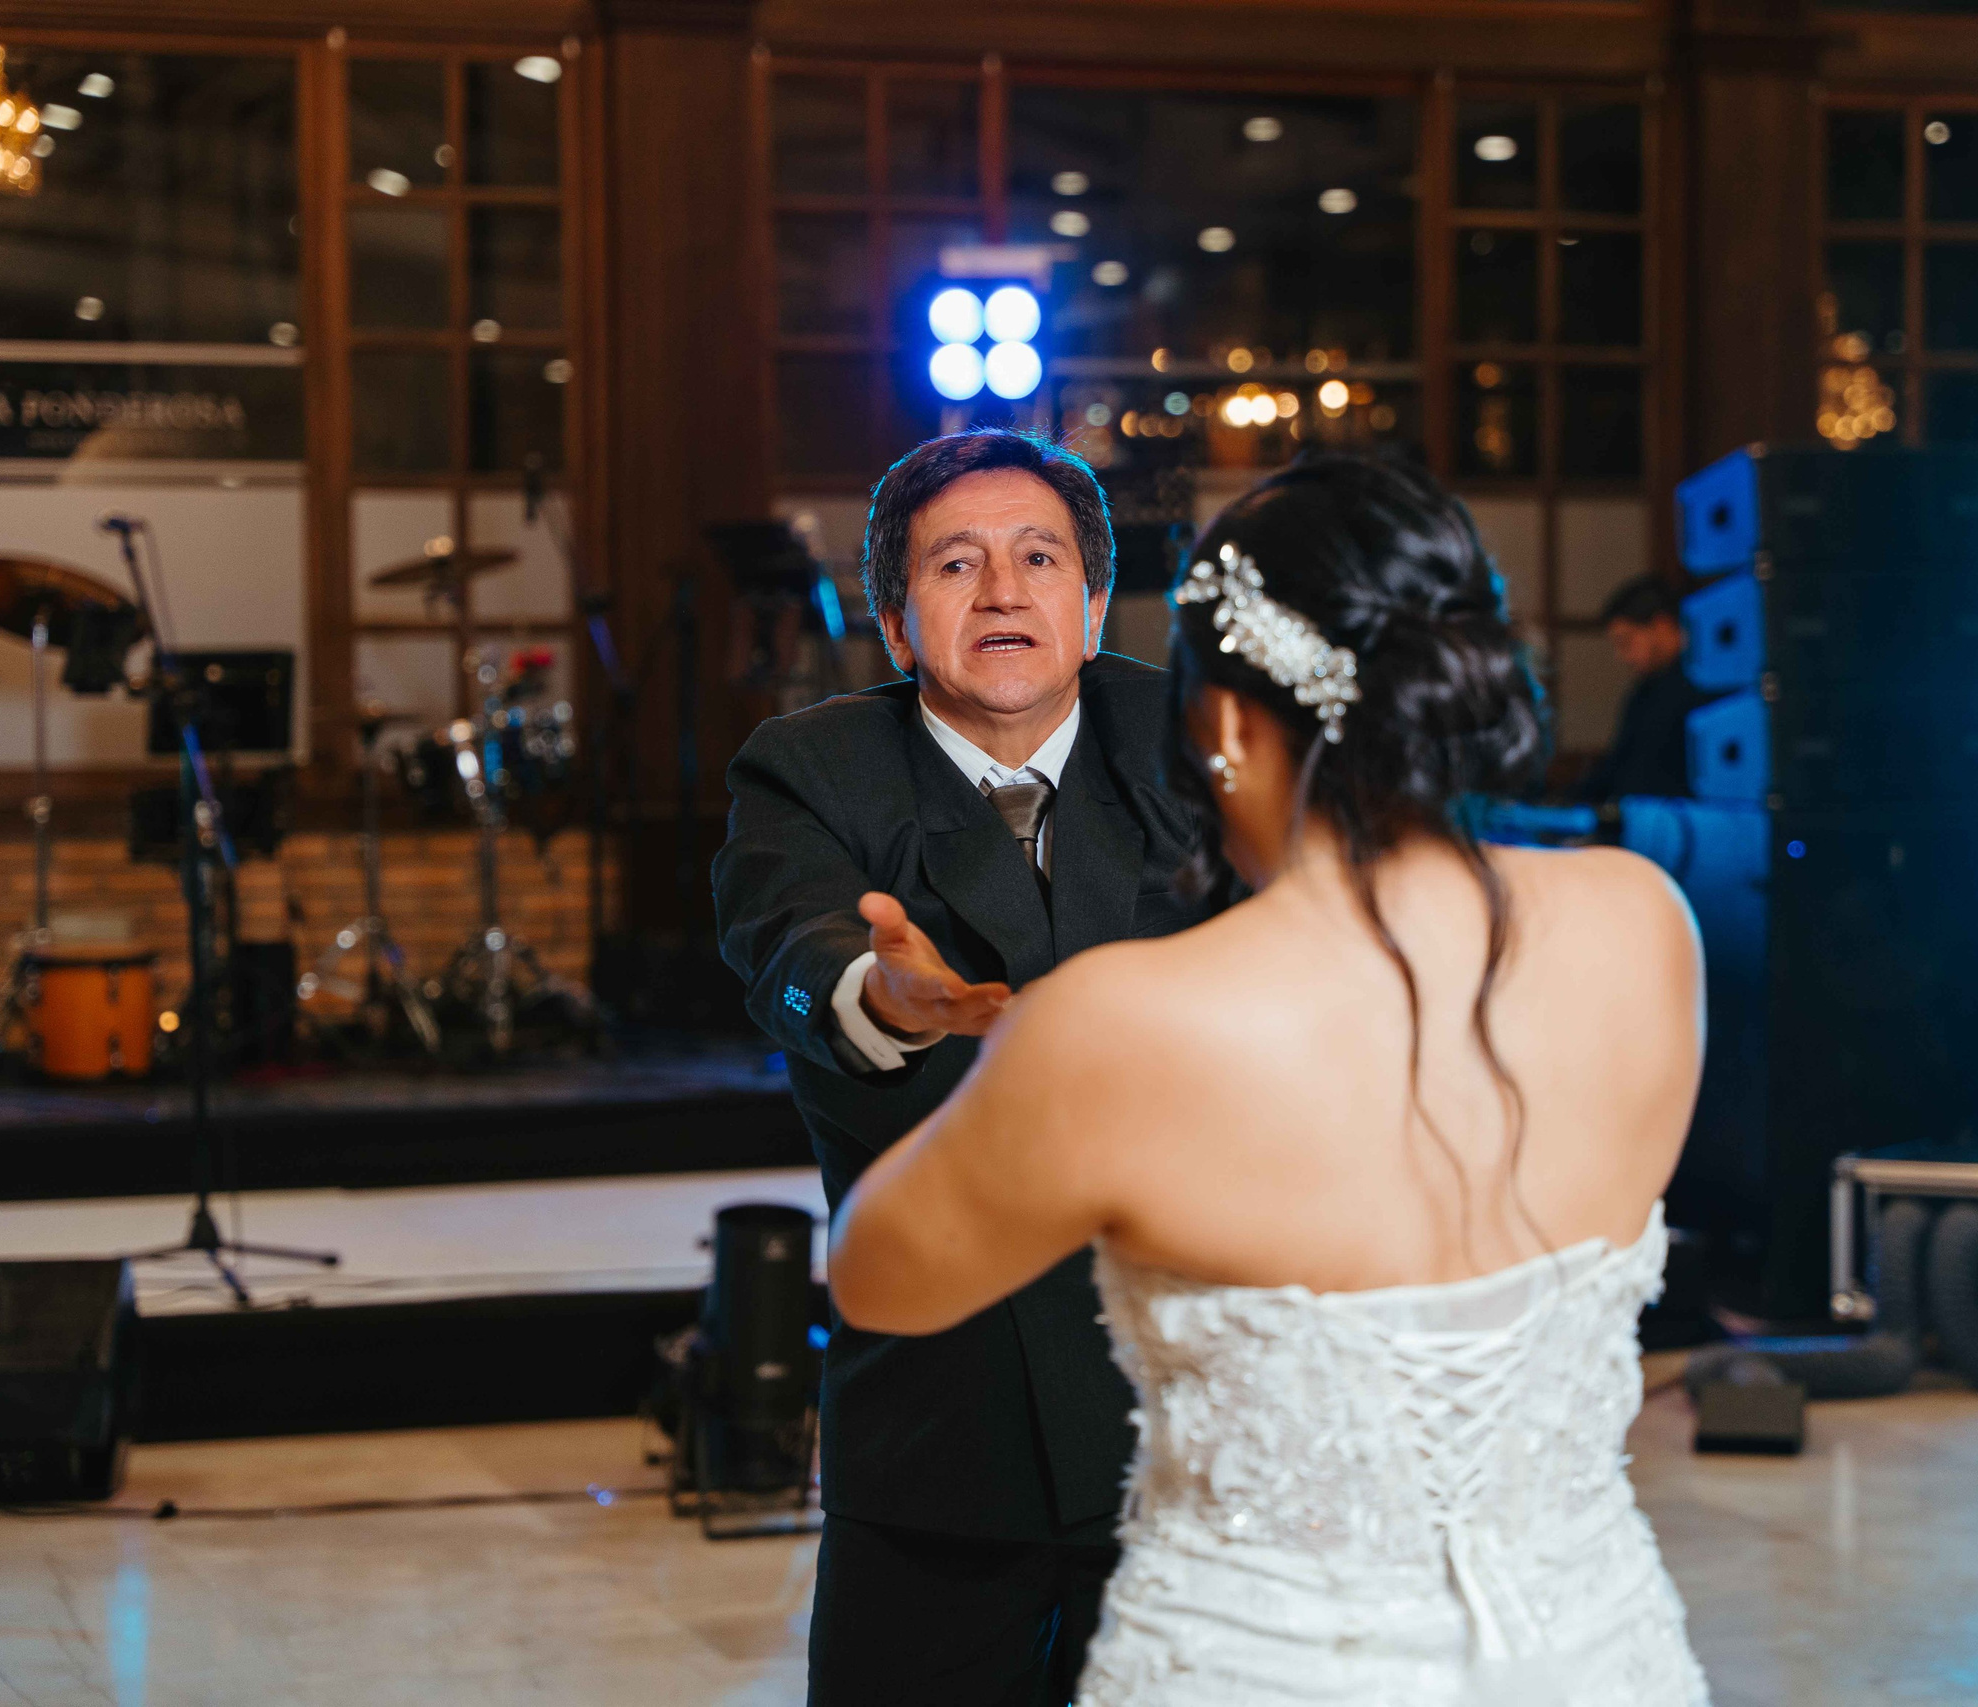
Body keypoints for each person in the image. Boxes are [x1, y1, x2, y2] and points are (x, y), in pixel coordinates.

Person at [826, 454, 1712, 1705]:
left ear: (1232, 728)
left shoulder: (1118, 1026)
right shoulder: (1645, 924)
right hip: (1591, 1653)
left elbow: (878, 1278)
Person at [712, 429, 1204, 1705]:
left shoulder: (1190, 739)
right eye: (955, 564)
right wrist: (884, 993)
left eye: (1039, 558)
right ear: (892, 620)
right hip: (946, 1422)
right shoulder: (809, 767)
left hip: (1187, 1409)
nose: (1002, 592)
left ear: (1092, 606)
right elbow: (792, 943)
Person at [1575, 575, 1707, 802]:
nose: (1621, 657)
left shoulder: (1706, 685)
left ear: (1662, 626)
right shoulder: (1643, 691)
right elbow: (1617, 766)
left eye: (1625, 642)